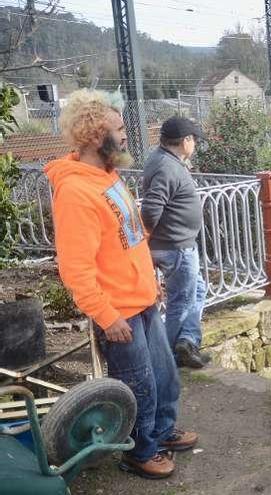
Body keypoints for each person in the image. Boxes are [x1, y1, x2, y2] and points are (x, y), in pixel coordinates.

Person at [45, 89, 197, 479]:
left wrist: (151, 280)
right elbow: (76, 268)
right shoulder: (76, 192)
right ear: (96, 136)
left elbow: (130, 239)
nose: (126, 134)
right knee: (139, 386)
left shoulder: (107, 177)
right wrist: (106, 315)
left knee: (164, 378)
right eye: (118, 128)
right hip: (119, 313)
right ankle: (139, 451)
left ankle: (162, 432)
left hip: (142, 299)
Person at [140, 117, 210, 369]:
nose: (196, 144)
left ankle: (187, 342)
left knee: (197, 291)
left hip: (177, 243)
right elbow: (150, 209)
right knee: (180, 301)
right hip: (175, 246)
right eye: (194, 139)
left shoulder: (164, 160)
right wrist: (152, 238)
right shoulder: (166, 167)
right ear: (185, 141)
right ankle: (170, 358)